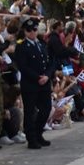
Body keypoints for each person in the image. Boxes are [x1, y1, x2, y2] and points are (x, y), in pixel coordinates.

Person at [13, 18, 54, 149]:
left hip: (44, 82)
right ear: (25, 31)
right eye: (29, 30)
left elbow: (50, 62)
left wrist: (47, 75)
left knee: (46, 109)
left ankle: (38, 133)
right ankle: (31, 138)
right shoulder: (21, 46)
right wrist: (38, 77)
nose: (32, 32)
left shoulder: (41, 44)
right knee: (30, 112)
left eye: (34, 29)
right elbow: (23, 66)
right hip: (31, 84)